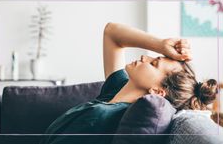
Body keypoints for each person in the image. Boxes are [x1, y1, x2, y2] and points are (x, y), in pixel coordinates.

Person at [39, 22, 218, 144]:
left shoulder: (101, 116)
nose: (144, 56)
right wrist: (161, 44)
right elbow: (112, 32)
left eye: (154, 64)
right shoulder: (117, 89)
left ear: (157, 91)